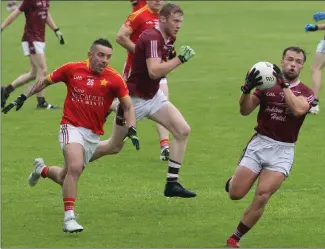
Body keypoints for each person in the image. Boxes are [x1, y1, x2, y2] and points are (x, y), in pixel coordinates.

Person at [2, 38, 139, 233]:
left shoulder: (114, 79)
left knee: (64, 176)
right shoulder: (71, 69)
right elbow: (45, 81)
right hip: (70, 127)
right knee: (75, 168)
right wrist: (23, 96)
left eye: (108, 57)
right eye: (100, 55)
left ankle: (41, 169)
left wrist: (131, 128)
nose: (104, 60)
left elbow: (128, 106)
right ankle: (69, 218)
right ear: (90, 55)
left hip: (92, 136)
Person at [90, 3, 197, 198]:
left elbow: (161, 64)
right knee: (114, 146)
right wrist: (179, 59)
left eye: (181, 21)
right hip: (133, 101)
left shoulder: (169, 37)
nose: (179, 25)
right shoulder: (152, 37)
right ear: (162, 19)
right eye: (175, 20)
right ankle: (76, 158)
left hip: (153, 96)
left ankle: (172, 184)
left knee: (183, 130)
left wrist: (171, 56)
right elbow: (154, 71)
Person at [225, 47, 314, 248]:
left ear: (302, 66)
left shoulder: (307, 92)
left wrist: (283, 86)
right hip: (260, 144)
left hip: (283, 151)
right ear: (281, 62)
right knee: (235, 194)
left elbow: (299, 109)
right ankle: (233, 182)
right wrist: (246, 90)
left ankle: (235, 238)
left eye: (298, 61)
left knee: (263, 194)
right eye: (289, 60)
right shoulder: (266, 86)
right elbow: (245, 110)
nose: (293, 64)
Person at [115, 0, 173, 161]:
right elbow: (120, 37)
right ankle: (110, 106)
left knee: (163, 102)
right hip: (136, 71)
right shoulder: (138, 16)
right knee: (126, 108)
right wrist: (141, 53)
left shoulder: (165, 17)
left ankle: (165, 146)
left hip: (156, 69)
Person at [1, 0, 65, 110]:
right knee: (43, 70)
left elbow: (45, 13)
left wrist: (56, 29)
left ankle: (6, 90)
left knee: (33, 73)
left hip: (40, 39)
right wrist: (2, 27)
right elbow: (15, 13)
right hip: (31, 39)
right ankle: (41, 102)